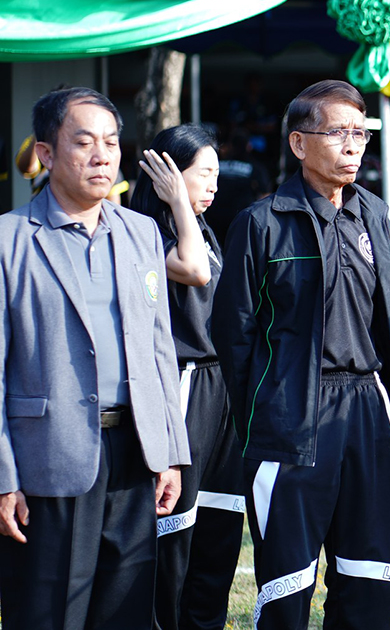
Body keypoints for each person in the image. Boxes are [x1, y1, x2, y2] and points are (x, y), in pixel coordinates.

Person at [211, 80, 390, 630]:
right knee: (287, 587)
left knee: (372, 576)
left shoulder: (374, 213)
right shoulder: (261, 223)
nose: (353, 144)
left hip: (367, 406)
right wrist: (265, 413)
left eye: (360, 132)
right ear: (299, 143)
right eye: (338, 132)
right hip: (291, 414)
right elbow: (233, 335)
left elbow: (386, 322)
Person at [0, 87, 189, 630]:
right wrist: (3, 477)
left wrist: (171, 451)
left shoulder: (140, 232)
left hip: (135, 452)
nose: (102, 156)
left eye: (111, 142)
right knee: (48, 612)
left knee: (126, 608)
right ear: (45, 153)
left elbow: (159, 348)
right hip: (47, 458)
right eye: (84, 142)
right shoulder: (11, 240)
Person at [130, 125, 245, 630]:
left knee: (221, 523)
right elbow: (194, 271)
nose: (214, 185)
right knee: (177, 529)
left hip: (223, 390)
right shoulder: (144, 235)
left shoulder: (204, 230)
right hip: (185, 386)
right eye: (204, 174)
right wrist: (178, 200)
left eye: (218, 174)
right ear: (170, 177)